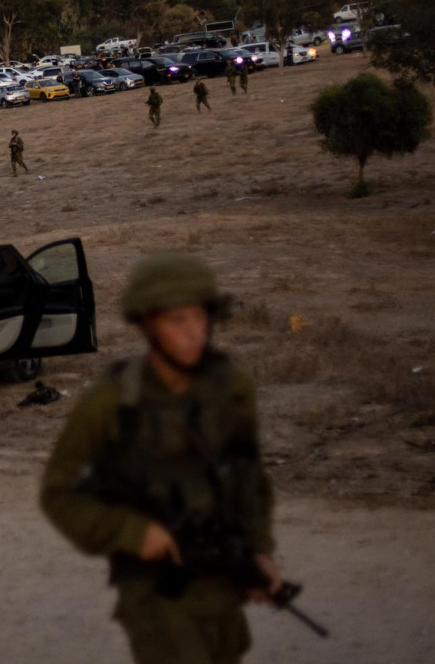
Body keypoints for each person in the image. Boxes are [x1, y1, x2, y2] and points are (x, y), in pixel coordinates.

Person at [40, 253, 280, 664]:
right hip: (153, 587)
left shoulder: (230, 388)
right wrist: (133, 532)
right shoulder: (112, 401)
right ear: (149, 324)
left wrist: (257, 552)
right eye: (177, 321)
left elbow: (248, 475)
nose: (194, 333)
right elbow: (59, 493)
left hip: (220, 578)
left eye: (200, 318)